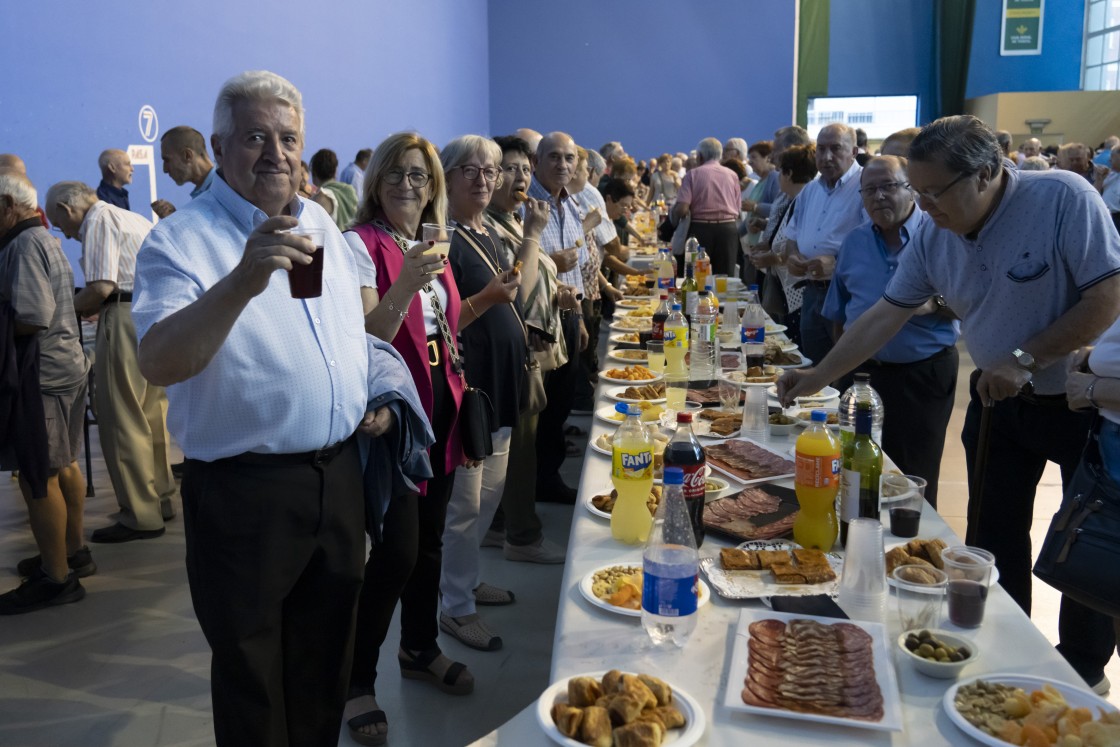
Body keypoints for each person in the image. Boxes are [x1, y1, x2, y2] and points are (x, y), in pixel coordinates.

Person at [778, 114, 1120, 695]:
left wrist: (1025, 358)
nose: (924, 206)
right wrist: (819, 375)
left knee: (1083, 538)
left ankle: (1082, 669)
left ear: (987, 173)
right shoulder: (935, 234)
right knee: (992, 532)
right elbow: (885, 315)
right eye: (920, 191)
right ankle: (1000, 648)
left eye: (934, 192)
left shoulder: (1063, 198)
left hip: (1079, 403)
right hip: (998, 399)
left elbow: (1107, 295)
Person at [131, 69, 399, 746]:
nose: (276, 153)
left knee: (323, 669)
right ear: (220, 148)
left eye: (288, 138)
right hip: (245, 495)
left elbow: (344, 334)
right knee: (253, 680)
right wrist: (243, 281)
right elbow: (160, 361)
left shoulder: (321, 225)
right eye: (255, 136)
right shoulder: (180, 242)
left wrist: (374, 396)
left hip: (336, 482)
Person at [343, 132, 476, 745]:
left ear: (433, 187)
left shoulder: (432, 243)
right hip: (396, 421)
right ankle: (356, 681)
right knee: (393, 554)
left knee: (428, 546)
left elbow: (443, 328)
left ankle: (418, 647)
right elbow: (366, 333)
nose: (407, 185)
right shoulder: (360, 245)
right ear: (376, 182)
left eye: (420, 176)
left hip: (441, 407)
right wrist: (409, 281)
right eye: (395, 173)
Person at [821, 156, 960, 507]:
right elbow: (837, 314)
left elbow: (979, 305)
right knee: (853, 468)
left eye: (889, 186)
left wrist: (935, 305)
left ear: (911, 189)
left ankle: (910, 551)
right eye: (870, 190)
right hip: (863, 378)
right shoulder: (854, 242)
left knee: (912, 475)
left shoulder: (944, 235)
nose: (879, 196)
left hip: (921, 376)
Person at [44, 181, 177, 541]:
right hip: (152, 315)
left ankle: (140, 512)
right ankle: (162, 498)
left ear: (65, 208)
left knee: (122, 417)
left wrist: (59, 312)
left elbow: (102, 286)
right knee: (152, 414)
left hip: (122, 317)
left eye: (60, 222)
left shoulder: (98, 221)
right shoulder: (131, 218)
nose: (66, 234)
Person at [438, 135, 525, 651]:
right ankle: (455, 606)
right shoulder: (442, 237)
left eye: (490, 170)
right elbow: (439, 315)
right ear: (446, 176)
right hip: (470, 386)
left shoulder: (487, 232)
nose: (483, 178)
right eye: (468, 170)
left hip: (503, 379)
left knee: (490, 494)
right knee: (464, 506)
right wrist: (491, 297)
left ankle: (467, 580)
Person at [0, 173, 93, 614]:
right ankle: (71, 551)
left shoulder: (21, 246)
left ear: (7, 205)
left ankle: (56, 577)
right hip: (65, 367)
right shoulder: (46, 238)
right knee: (64, 463)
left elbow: (32, 317)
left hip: (44, 376)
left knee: (40, 477)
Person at [485, 134, 571, 564]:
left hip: (536, 343)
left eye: (523, 168)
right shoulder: (495, 224)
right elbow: (516, 287)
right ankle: (523, 536)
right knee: (520, 448)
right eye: (508, 169)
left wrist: (560, 297)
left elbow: (540, 280)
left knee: (524, 443)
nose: (519, 177)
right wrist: (535, 233)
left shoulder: (514, 218)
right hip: (519, 349)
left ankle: (501, 523)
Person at [528, 132, 589, 504]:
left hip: (567, 312)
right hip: (542, 318)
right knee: (545, 406)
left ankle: (549, 475)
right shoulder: (528, 204)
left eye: (569, 158)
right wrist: (554, 260)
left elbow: (575, 270)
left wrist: (579, 317)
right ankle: (542, 480)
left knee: (562, 400)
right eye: (554, 157)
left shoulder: (570, 203)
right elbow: (523, 263)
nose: (563, 165)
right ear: (537, 161)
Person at [781, 122, 865, 366]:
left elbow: (879, 245)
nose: (827, 157)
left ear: (854, 152)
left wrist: (837, 264)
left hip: (849, 294)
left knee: (848, 368)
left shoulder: (866, 186)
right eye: (821, 149)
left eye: (836, 149)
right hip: (812, 292)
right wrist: (793, 257)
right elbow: (791, 237)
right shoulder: (810, 191)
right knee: (814, 366)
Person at [747, 144, 817, 347]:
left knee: (794, 344)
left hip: (798, 290)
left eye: (779, 172)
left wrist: (773, 256)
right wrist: (768, 241)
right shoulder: (795, 198)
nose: (777, 177)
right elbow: (785, 232)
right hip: (789, 285)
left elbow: (800, 245)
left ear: (789, 173)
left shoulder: (805, 200)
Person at [671, 137, 741, 275]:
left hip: (700, 230)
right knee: (724, 278)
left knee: (698, 278)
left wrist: (673, 216)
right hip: (728, 230)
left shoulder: (692, 174)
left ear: (700, 156)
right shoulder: (732, 175)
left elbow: (683, 208)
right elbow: (738, 207)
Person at [151, 126, 216, 218]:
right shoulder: (206, 191)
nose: (165, 169)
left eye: (167, 160)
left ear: (187, 155)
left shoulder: (227, 186)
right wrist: (174, 219)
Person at [310, 148, 359, 230]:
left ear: (314, 172)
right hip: (351, 240)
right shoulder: (349, 190)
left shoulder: (321, 197)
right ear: (335, 171)